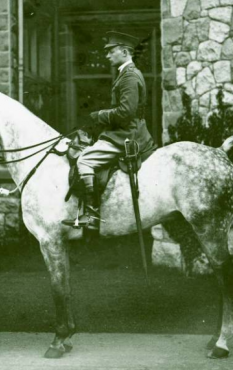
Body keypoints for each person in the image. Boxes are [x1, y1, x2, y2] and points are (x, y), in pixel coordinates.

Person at [62, 31, 157, 230]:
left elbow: (125, 113)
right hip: (124, 131)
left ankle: (92, 215)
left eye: (111, 51)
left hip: (127, 134)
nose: (107, 56)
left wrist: (98, 115)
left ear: (124, 52)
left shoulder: (129, 76)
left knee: (84, 159)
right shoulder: (126, 74)